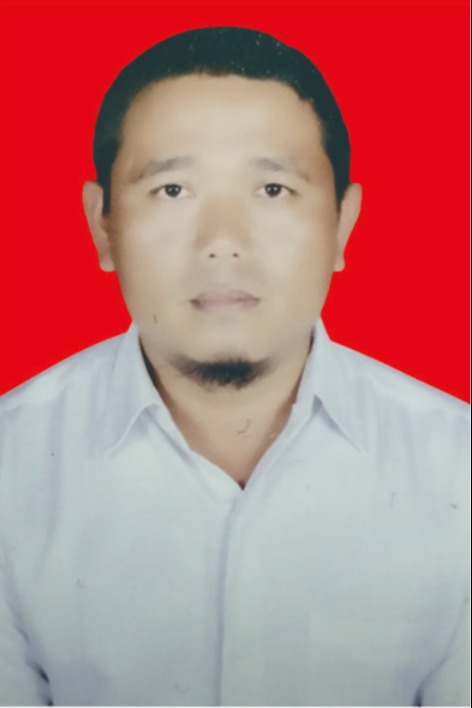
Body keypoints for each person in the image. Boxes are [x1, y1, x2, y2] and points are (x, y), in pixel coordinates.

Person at [0, 26, 469, 707]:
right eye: (172, 190)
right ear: (103, 226)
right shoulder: (10, 465)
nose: (222, 243)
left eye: (273, 189)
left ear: (342, 225)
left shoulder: (458, 468)